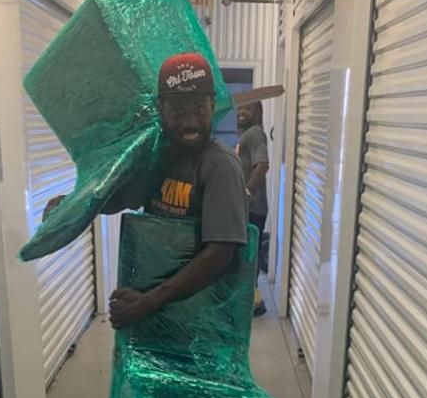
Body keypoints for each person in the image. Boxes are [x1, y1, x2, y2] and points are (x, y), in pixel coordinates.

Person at [44, 53, 249, 330]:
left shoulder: (220, 166)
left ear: (213, 106)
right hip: (159, 310)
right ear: (160, 108)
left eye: (200, 109)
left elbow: (220, 254)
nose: (190, 123)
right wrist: (72, 207)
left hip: (203, 321)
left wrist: (149, 302)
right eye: (178, 112)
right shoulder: (159, 157)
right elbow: (118, 198)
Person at [236, 101, 270, 317]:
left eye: (246, 109)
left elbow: (263, 164)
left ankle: (255, 302)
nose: (241, 113)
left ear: (257, 112)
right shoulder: (248, 134)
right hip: (250, 207)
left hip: (253, 207)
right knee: (248, 252)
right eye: (239, 109)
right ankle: (252, 299)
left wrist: (246, 192)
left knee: (249, 253)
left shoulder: (255, 133)